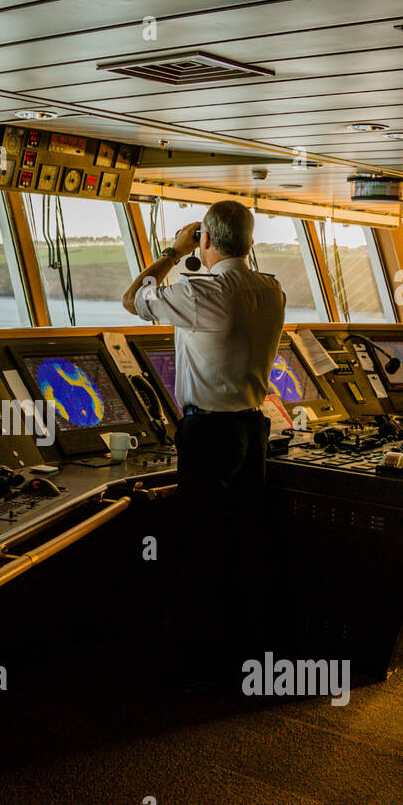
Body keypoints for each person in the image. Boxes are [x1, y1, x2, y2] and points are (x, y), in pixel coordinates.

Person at [121, 201, 285, 668]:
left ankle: (201, 663)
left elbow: (132, 299)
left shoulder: (203, 293)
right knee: (242, 542)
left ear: (205, 240)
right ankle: (241, 652)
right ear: (249, 242)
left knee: (202, 548)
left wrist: (174, 253)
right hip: (253, 431)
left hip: (210, 433)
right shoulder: (271, 290)